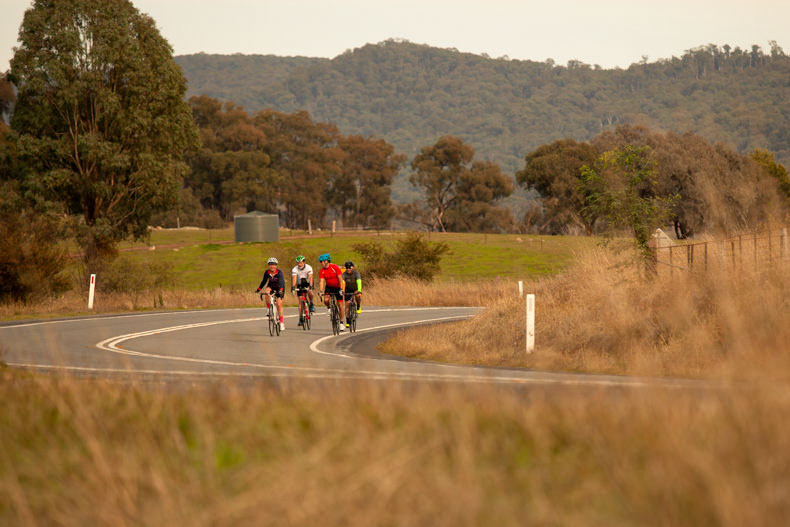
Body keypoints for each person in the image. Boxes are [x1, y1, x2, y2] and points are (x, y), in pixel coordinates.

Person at [256, 257, 286, 331]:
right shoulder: (267, 272)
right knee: (267, 292)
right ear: (268, 265)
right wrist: (258, 289)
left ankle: (281, 323)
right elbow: (264, 281)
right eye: (270, 265)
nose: (272, 266)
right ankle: (268, 309)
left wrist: (281, 290)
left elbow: (281, 282)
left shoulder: (279, 272)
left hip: (279, 288)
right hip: (271, 287)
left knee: (279, 304)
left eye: (273, 265)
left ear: (276, 265)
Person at [317, 253, 345, 332]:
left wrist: (341, 289)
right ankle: (329, 308)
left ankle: (341, 323)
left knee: (340, 305)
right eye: (320, 262)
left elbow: (340, 279)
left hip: (337, 287)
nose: (321, 263)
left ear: (327, 261)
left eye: (322, 261)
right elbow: (322, 281)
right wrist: (320, 291)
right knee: (326, 300)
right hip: (329, 287)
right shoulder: (322, 271)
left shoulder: (334, 267)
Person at [291, 255, 315, 326]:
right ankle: (301, 318)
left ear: (304, 262)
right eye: (298, 263)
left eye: (301, 263)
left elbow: (310, 277)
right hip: (300, 284)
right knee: (300, 300)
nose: (299, 264)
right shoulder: (294, 269)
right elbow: (294, 278)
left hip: (307, 282)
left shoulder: (309, 267)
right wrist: (293, 287)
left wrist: (310, 286)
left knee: (310, 292)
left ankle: (311, 303)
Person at [341, 260, 362, 329]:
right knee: (347, 305)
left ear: (352, 268)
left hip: (355, 289)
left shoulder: (356, 273)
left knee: (357, 296)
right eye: (347, 268)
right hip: (347, 290)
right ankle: (347, 320)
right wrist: (342, 290)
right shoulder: (344, 274)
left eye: (349, 268)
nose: (348, 269)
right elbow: (342, 283)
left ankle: (358, 306)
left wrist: (359, 290)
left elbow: (359, 282)